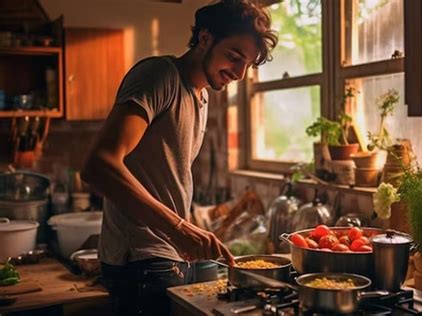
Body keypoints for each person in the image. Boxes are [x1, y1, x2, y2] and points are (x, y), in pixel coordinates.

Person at [80, 1, 277, 315]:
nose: (239, 74)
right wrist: (179, 229)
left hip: (170, 254)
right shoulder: (159, 76)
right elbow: (99, 166)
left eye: (247, 65)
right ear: (205, 39)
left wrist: (187, 230)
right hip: (141, 259)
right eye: (234, 57)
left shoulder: (200, 96)